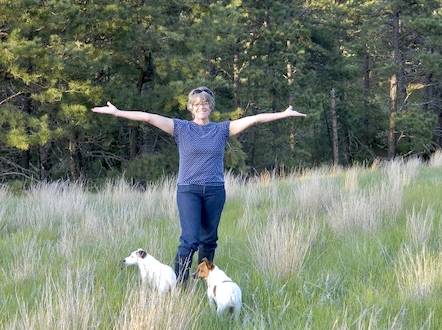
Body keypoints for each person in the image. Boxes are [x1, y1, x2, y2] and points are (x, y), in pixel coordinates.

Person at [92, 87, 306, 284]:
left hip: (214, 191)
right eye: (196, 104)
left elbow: (255, 119)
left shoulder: (222, 129)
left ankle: (205, 279)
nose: (201, 107)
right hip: (188, 190)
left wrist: (284, 114)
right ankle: (180, 285)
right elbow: (148, 118)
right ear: (191, 108)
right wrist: (117, 112)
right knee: (190, 240)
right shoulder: (181, 128)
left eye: (204, 104)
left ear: (210, 107)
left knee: (209, 240)